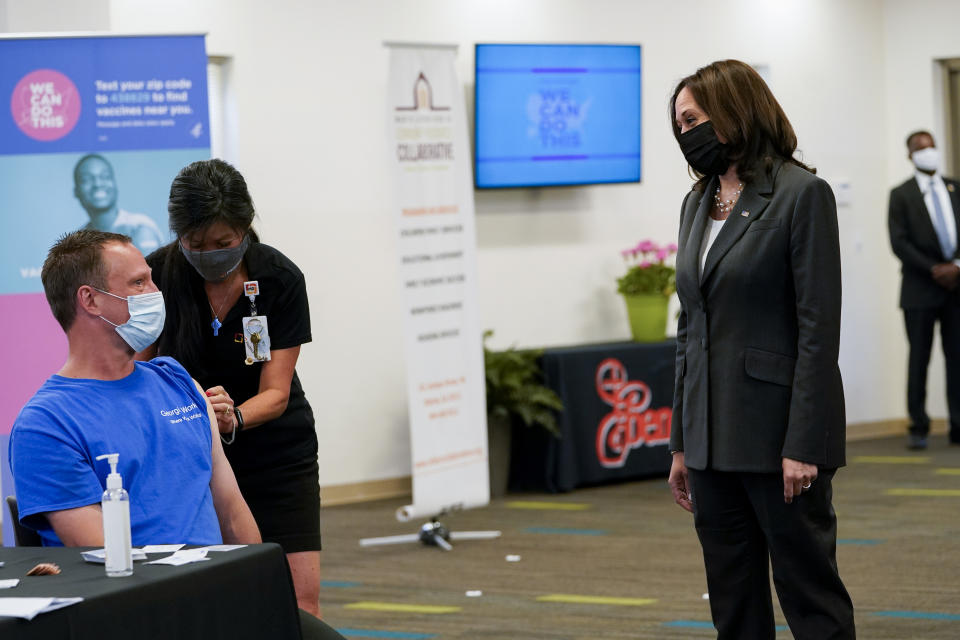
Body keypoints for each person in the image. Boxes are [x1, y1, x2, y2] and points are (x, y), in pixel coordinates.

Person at [666, 60, 855, 640]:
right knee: (733, 603)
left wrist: (804, 443)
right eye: (678, 125)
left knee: (809, 595)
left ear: (734, 110)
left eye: (693, 118)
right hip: (709, 445)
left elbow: (818, 330)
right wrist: (681, 443)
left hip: (780, 441)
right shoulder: (696, 203)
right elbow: (689, 330)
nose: (684, 134)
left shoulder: (802, 194)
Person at [142, 159, 323, 617]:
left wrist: (232, 417)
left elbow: (276, 393)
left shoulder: (280, 278)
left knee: (297, 600)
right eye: (195, 244)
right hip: (193, 457)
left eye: (223, 243)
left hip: (276, 454)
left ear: (245, 229)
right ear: (178, 235)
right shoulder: (156, 277)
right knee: (216, 601)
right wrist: (195, 411)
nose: (209, 254)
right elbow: (137, 373)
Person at [8, 230, 260, 548]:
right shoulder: (46, 424)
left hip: (215, 589)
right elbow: (108, 560)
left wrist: (261, 586)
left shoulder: (179, 384)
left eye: (151, 281)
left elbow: (232, 514)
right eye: (139, 283)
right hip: (142, 593)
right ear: (90, 299)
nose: (156, 293)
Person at [888, 130, 960, 450]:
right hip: (919, 288)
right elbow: (898, 242)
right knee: (919, 358)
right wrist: (933, 269)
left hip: (956, 287)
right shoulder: (900, 194)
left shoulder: (955, 188)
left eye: (931, 147)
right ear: (910, 155)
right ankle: (918, 425)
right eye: (921, 149)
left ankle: (958, 424)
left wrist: (956, 267)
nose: (928, 153)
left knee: (957, 358)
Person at [74, 153, 165, 256]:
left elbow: (153, 271)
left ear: (115, 184)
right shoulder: (79, 240)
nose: (97, 184)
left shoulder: (138, 228)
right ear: (76, 192)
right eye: (86, 179)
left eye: (105, 176)